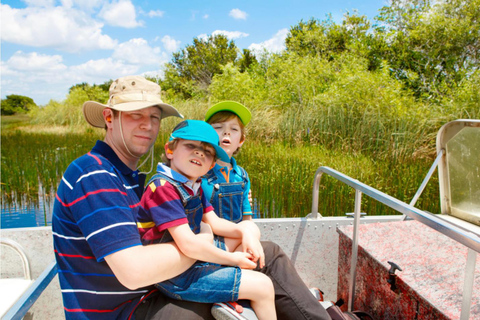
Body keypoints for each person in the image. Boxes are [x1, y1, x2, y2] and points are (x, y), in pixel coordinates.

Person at [52, 74, 331, 320]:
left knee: (265, 253)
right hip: (129, 309)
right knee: (246, 283)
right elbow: (133, 272)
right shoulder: (93, 174)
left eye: (154, 117)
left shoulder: (130, 176)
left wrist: (234, 241)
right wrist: (204, 242)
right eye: (135, 115)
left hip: (155, 289)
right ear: (109, 118)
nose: (147, 126)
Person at [136, 120, 276, 320]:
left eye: (207, 152)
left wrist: (246, 231)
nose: (199, 153)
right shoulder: (163, 187)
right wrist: (233, 259)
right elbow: (188, 245)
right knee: (263, 286)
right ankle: (236, 291)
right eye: (191, 146)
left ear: (210, 165)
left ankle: (229, 295)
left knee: (245, 232)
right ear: (169, 150)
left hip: (192, 260)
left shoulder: (193, 185)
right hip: (173, 275)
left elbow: (214, 222)